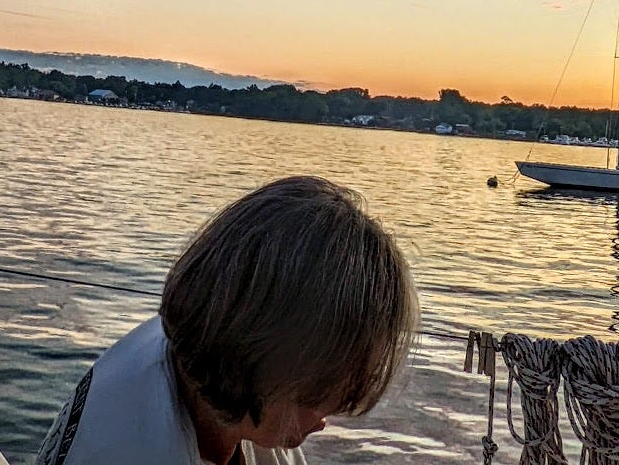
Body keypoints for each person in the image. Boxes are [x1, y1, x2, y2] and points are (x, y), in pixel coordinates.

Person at [35, 175, 418, 465]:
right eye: (320, 391)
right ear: (261, 353)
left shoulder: (180, 355)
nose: (328, 414)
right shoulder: (135, 450)